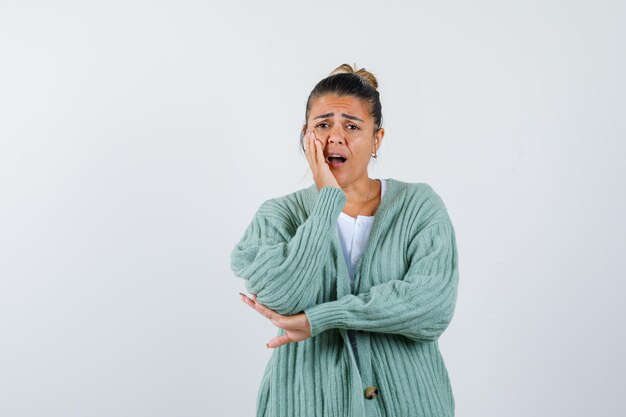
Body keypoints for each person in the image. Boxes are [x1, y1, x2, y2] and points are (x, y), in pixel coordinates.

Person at [230, 63, 459, 417]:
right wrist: (326, 204)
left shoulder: (419, 206)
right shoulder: (277, 215)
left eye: (351, 126)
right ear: (307, 137)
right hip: (305, 404)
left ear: (376, 139)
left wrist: (324, 316)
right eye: (322, 125)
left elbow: (430, 307)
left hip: (408, 404)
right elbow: (283, 299)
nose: (335, 137)